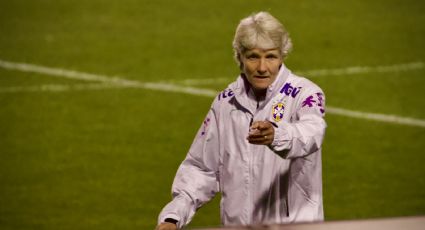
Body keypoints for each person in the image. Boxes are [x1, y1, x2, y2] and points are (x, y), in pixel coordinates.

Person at [156, 11, 326, 230]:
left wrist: (277, 135)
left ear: (282, 56)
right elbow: (201, 168)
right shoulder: (225, 104)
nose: (262, 67)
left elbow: (312, 133)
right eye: (253, 56)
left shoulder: (305, 94)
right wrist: (173, 216)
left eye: (271, 56)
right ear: (240, 57)